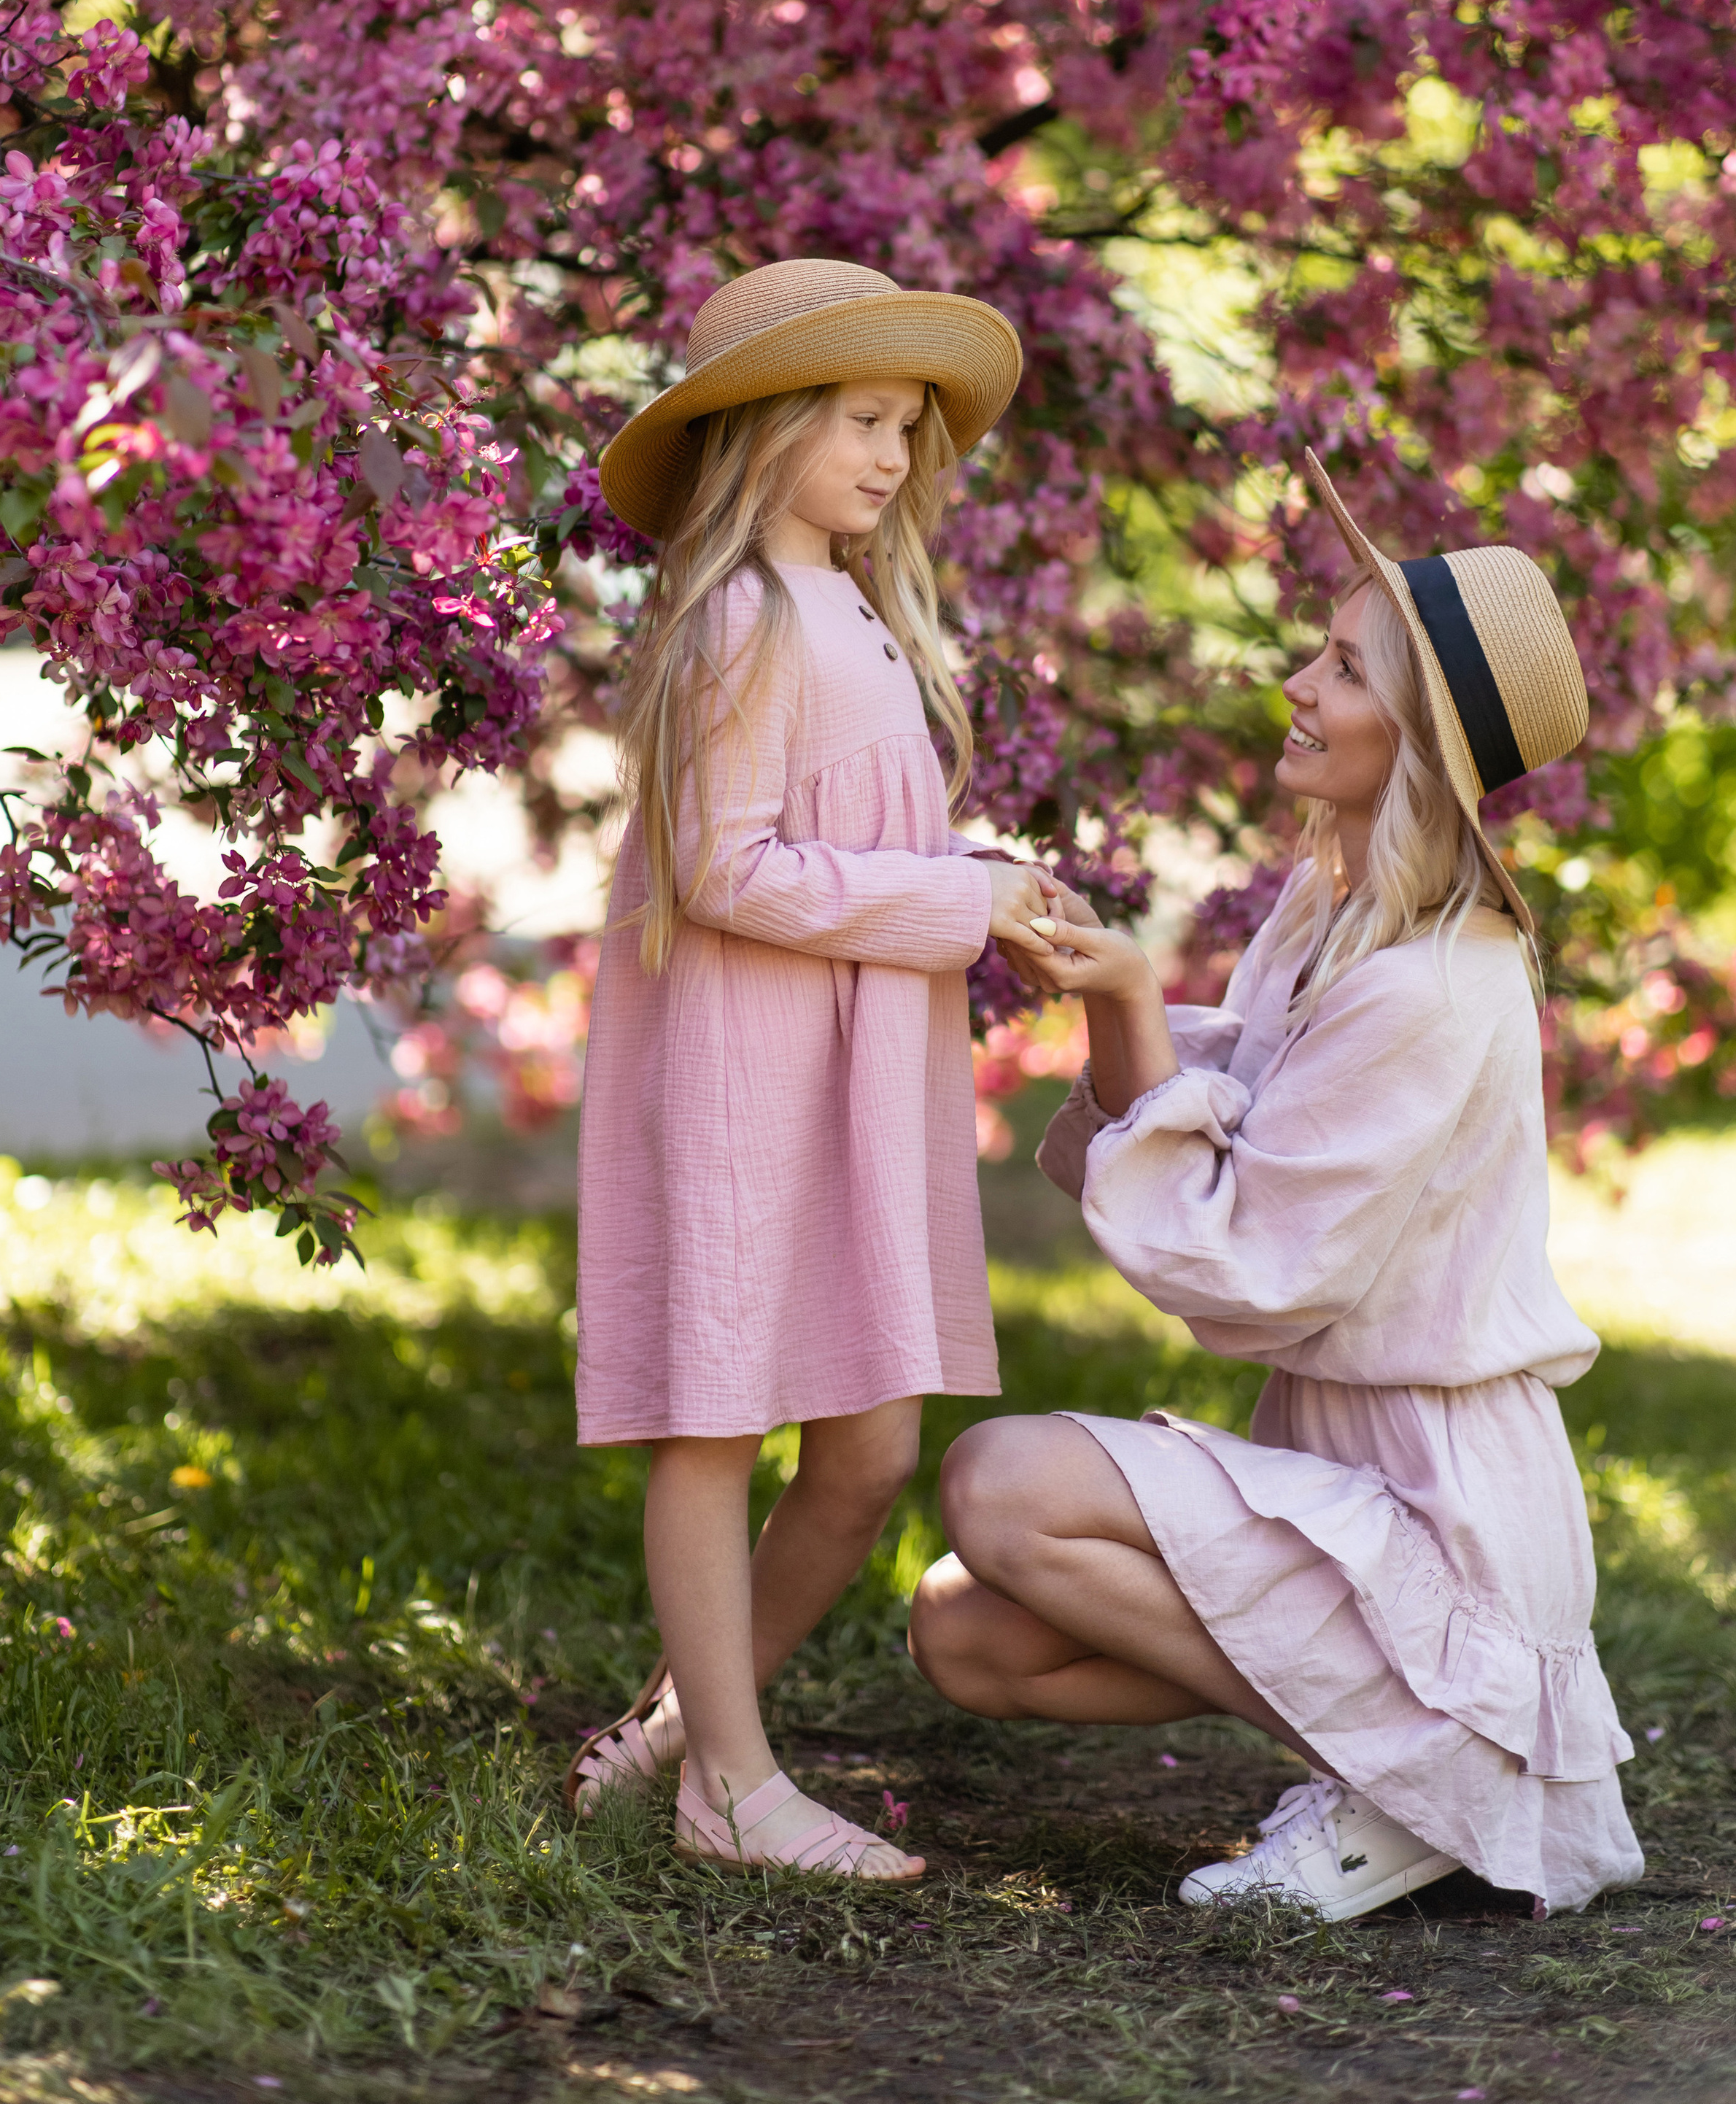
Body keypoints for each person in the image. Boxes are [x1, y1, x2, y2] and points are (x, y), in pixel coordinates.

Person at [908, 452, 1646, 1920]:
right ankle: (1409, 1769)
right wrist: (1114, 993)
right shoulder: (1330, 914)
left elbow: (1249, 1270)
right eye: (1315, 650)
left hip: (1444, 1498)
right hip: (1350, 1463)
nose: (1297, 684)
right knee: (963, 1635)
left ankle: (1420, 1779)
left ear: (1419, 743)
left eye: (1344, 669)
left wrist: (1124, 1005)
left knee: (997, 1482)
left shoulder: (1438, 982)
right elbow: (1228, 1123)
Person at [565, 257, 1050, 1881]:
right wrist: (954, 905)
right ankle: (732, 1789)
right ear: (764, 430)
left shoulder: (846, 604)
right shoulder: (740, 620)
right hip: (740, 1063)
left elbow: (849, 831)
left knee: (864, 1452)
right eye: (856, 421)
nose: (891, 457)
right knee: (714, 1418)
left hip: (852, 1066)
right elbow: (725, 872)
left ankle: (673, 1737)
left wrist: (983, 876)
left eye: (906, 429)